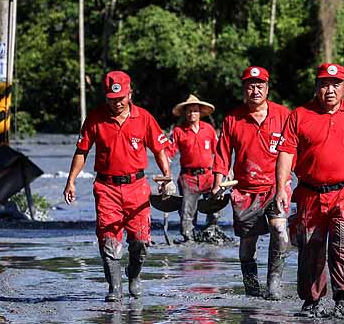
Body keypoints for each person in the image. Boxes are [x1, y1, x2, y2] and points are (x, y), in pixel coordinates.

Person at [275, 63, 344, 318]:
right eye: (324, 84)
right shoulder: (299, 115)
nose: (330, 90)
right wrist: (282, 188)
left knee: (343, 242)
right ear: (316, 87)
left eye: (335, 84)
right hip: (310, 194)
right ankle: (312, 301)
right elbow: (286, 153)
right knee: (311, 247)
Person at [64, 71, 173, 302]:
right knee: (109, 239)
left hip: (137, 187)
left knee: (141, 240)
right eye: (113, 99)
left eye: (122, 98)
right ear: (106, 98)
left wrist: (167, 176)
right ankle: (115, 288)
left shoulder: (144, 118)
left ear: (130, 94)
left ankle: (133, 275)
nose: (118, 103)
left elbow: (159, 149)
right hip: (106, 188)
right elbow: (82, 151)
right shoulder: (95, 118)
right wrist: (71, 180)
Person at [212, 65, 293, 299]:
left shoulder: (283, 115)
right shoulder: (232, 119)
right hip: (245, 190)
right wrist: (218, 181)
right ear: (244, 89)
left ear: (267, 88)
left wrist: (290, 181)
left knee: (279, 230)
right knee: (248, 242)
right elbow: (223, 154)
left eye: (259, 86)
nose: (255, 90)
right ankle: (251, 286)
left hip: (276, 186)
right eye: (250, 86)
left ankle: (274, 283)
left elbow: (293, 150)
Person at [167, 94, 219, 243]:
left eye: (195, 110)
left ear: (200, 113)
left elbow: (219, 153)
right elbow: (169, 153)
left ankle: (211, 235)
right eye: (189, 111)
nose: (192, 114)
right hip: (188, 177)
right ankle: (189, 240)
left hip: (208, 176)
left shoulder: (208, 129)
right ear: (185, 113)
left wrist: (225, 171)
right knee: (187, 212)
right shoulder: (178, 131)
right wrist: (165, 174)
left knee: (214, 209)